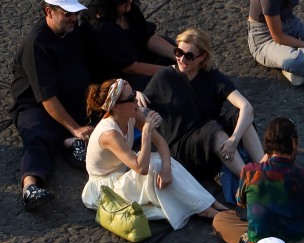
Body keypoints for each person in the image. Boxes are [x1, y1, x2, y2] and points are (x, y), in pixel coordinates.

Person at [81, 78, 217, 229]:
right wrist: (146, 132)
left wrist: (167, 169)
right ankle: (205, 208)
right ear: (117, 107)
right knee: (154, 165)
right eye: (131, 98)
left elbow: (160, 142)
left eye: (134, 94)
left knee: (163, 163)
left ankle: (207, 204)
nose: (136, 101)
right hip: (105, 188)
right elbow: (142, 169)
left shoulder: (131, 112)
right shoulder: (109, 134)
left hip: (123, 172)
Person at [143, 28, 263, 195]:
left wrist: (235, 138)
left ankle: (265, 169)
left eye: (189, 56)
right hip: (181, 145)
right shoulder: (164, 77)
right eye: (178, 52)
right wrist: (138, 95)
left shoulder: (211, 77)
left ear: (202, 57)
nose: (182, 59)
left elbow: (247, 108)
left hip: (208, 135)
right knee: (215, 131)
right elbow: (140, 107)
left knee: (240, 119)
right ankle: (252, 182)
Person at [10, 0, 96, 208]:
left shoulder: (70, 30)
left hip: (70, 97)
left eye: (75, 13)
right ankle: (30, 186)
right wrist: (75, 129)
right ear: (49, 11)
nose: (74, 18)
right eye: (67, 13)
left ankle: (68, 143)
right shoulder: (36, 43)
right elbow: (46, 97)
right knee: (37, 136)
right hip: (36, 104)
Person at [83, 0, 175, 80]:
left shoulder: (128, 8)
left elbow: (148, 37)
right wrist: (172, 71)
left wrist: (178, 54)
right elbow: (131, 68)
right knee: (167, 81)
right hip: (120, 75)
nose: (130, 1)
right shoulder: (102, 28)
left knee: (170, 47)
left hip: (137, 55)